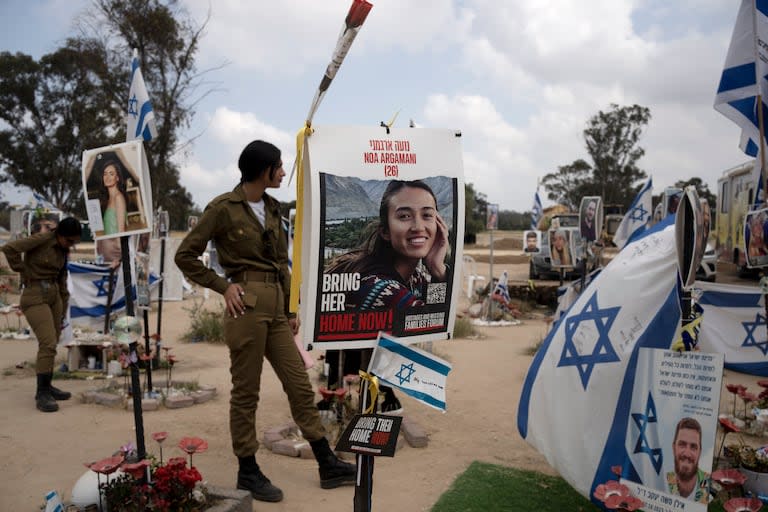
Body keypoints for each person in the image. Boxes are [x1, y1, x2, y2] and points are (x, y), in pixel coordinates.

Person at [174, 140, 355, 503]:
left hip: (275, 308)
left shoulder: (273, 208)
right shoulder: (223, 208)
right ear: (263, 170)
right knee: (246, 392)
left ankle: (326, 463)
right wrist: (222, 286)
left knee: (299, 385)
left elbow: (281, 263)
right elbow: (185, 255)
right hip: (246, 308)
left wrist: (290, 311)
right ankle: (248, 470)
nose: (284, 172)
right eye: (279, 167)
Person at [323, 180, 450, 413]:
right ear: (385, 231)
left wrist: (436, 269)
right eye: (404, 217)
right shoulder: (384, 288)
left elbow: (434, 313)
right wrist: (440, 272)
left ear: (439, 225)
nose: (418, 226)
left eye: (427, 215)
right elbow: (434, 320)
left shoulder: (414, 277)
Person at [1, 217, 82, 412]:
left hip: (54, 296)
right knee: (47, 342)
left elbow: (62, 278)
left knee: (52, 342)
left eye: (74, 242)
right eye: (69, 241)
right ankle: (42, 394)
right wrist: (22, 269)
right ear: (60, 235)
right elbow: (10, 248)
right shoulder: (42, 240)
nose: (71, 245)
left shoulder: (63, 251)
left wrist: (63, 306)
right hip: (35, 295)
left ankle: (48, 386)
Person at [666, 417, 709, 503]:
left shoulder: (709, 486)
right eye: (682, 444)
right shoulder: (662, 482)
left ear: (700, 452)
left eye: (693, 447)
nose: (687, 454)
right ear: (674, 448)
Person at [95, 153, 128, 235]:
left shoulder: (118, 198)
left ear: (117, 178)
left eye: (111, 174)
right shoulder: (108, 199)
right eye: (105, 174)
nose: (107, 177)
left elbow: (121, 231)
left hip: (116, 246)